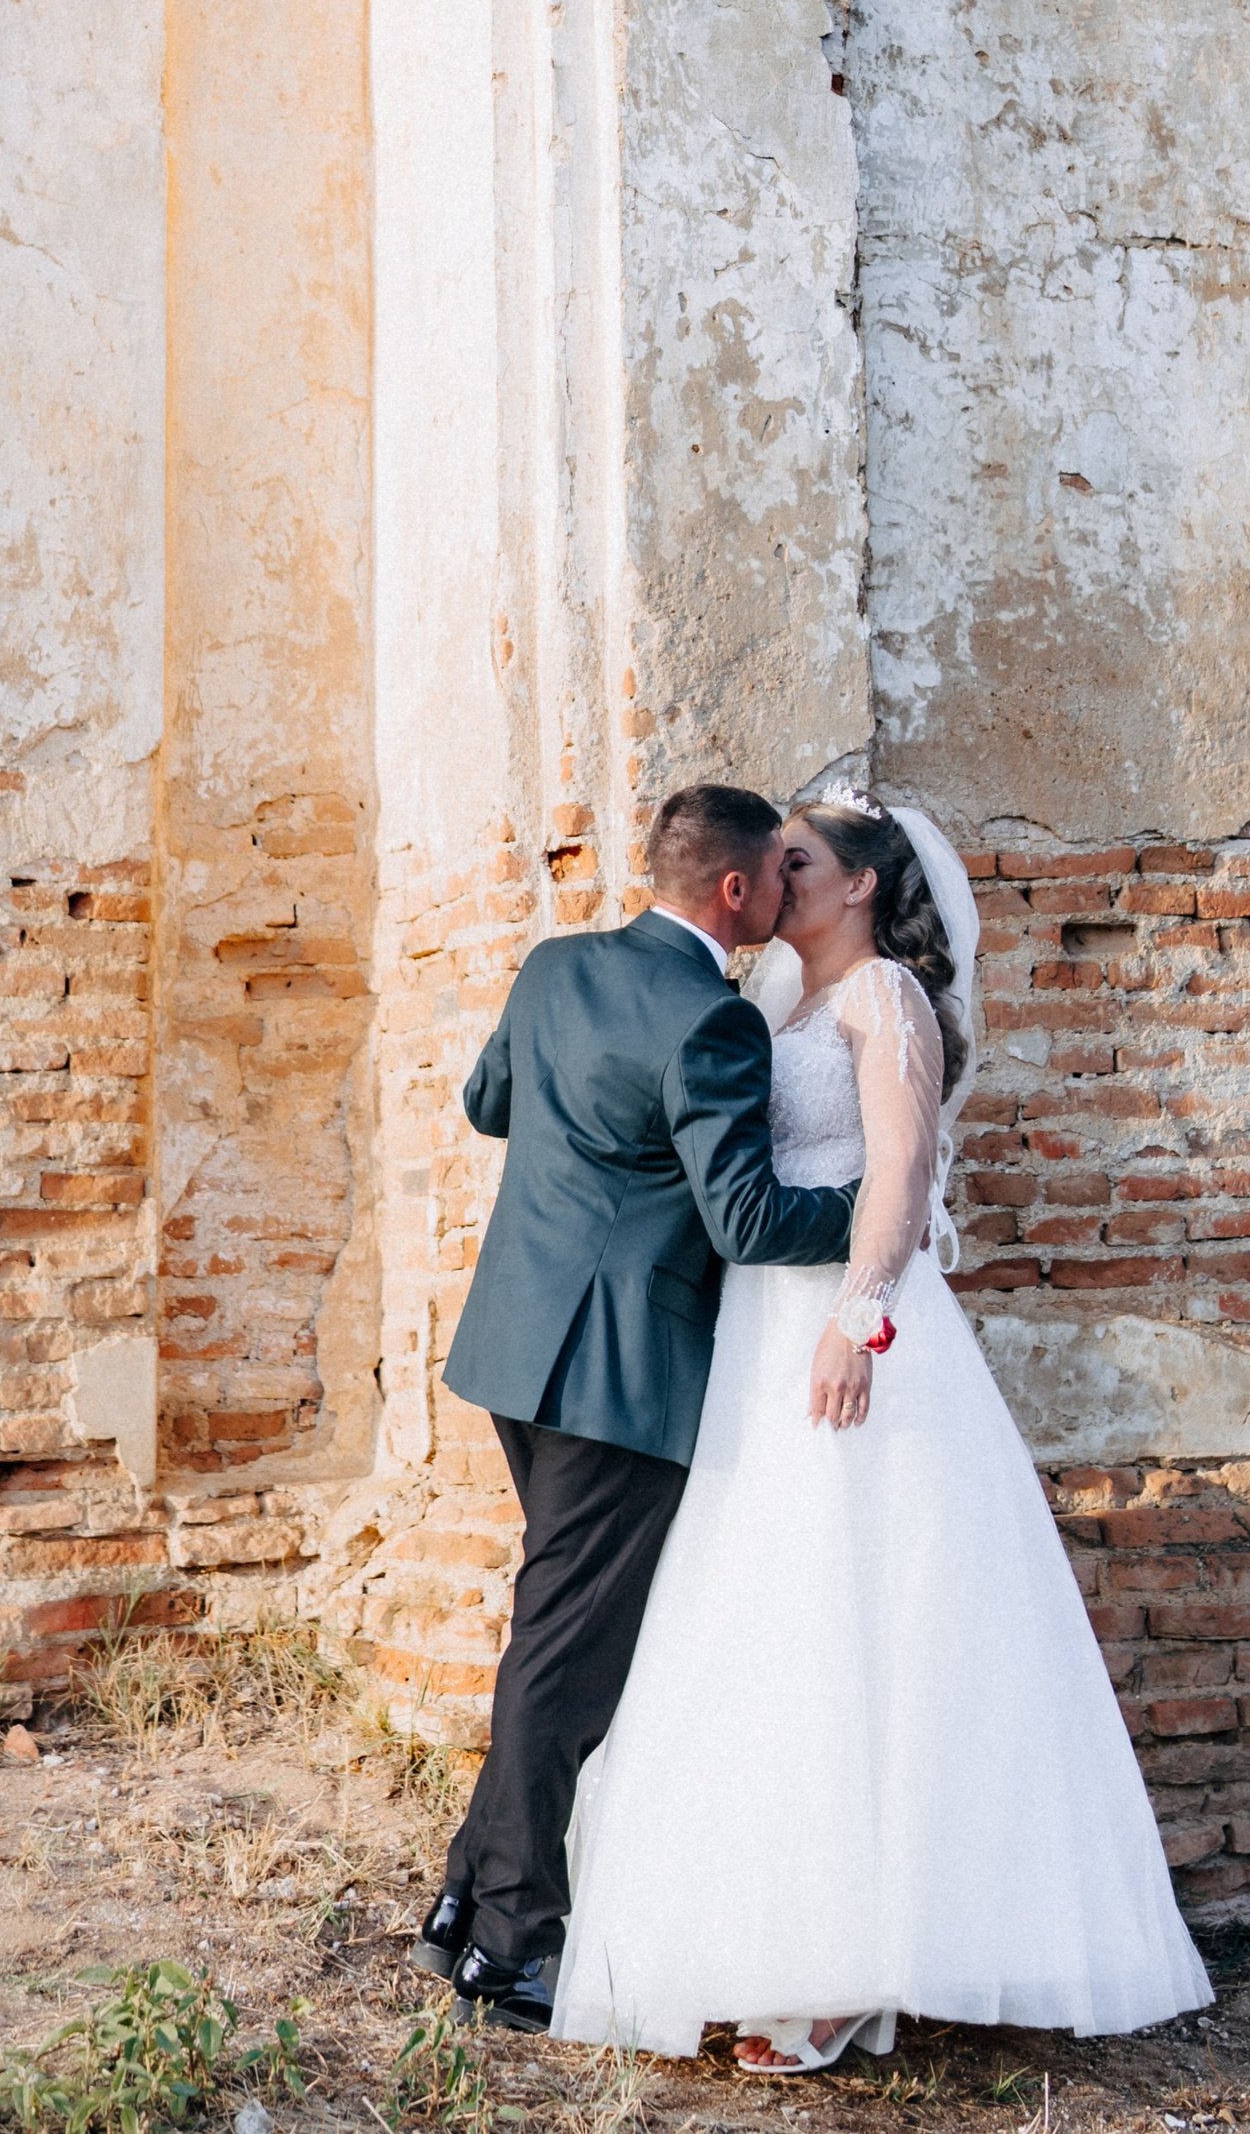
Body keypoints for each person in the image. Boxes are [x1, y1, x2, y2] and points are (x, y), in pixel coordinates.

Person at [548, 785, 1213, 2070]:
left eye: (795, 858)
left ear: (857, 882)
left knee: (860, 1622)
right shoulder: (763, 1004)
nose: (770, 873)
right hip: (751, 1338)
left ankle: (846, 1971)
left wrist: (861, 1322)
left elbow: (901, 1171)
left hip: (850, 1339)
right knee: (757, 1618)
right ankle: (761, 1934)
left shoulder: (882, 1000)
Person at [417, 783, 860, 2032]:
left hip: (515, 1347)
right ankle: (509, 1939)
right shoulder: (714, 1022)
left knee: (553, 1628)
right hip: (616, 1374)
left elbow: (489, 1102)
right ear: (736, 892)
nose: (787, 888)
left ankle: (462, 1895)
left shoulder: (553, 966)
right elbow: (752, 1221)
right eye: (776, 871)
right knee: (568, 1654)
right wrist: (878, 1204)